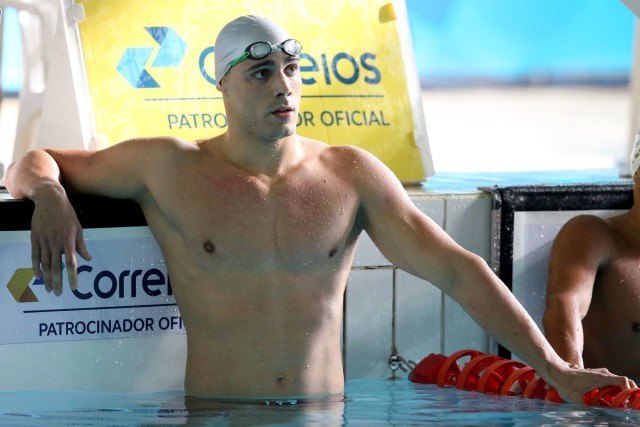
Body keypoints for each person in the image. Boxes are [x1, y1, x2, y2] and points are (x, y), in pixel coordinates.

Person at [5, 15, 634, 403]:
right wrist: (53, 196)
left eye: (291, 69)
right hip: (222, 415)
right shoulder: (169, 166)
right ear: (221, 85)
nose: (283, 85)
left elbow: (456, 268)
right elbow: (30, 161)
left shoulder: (348, 174)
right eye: (260, 74)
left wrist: (552, 369)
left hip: (324, 413)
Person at [543, 135, 640, 378]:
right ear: (637, 175)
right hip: (610, 411)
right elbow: (564, 305)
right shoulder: (593, 236)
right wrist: (574, 384)